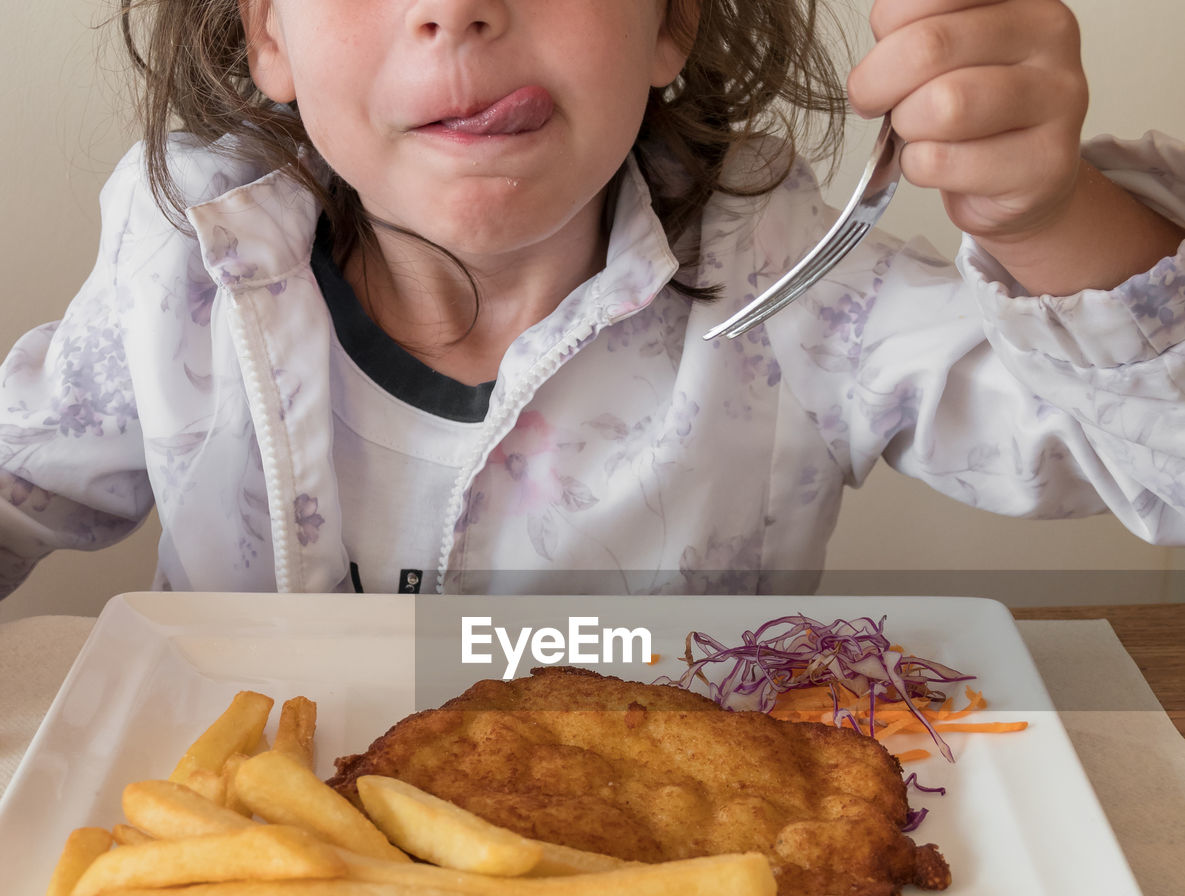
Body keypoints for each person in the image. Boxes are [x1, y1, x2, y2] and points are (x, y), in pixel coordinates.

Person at [0, 0, 1182, 600]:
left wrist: (1047, 214)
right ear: (269, 34)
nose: (456, 8)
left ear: (668, 20)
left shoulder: (792, 280)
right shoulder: (186, 275)